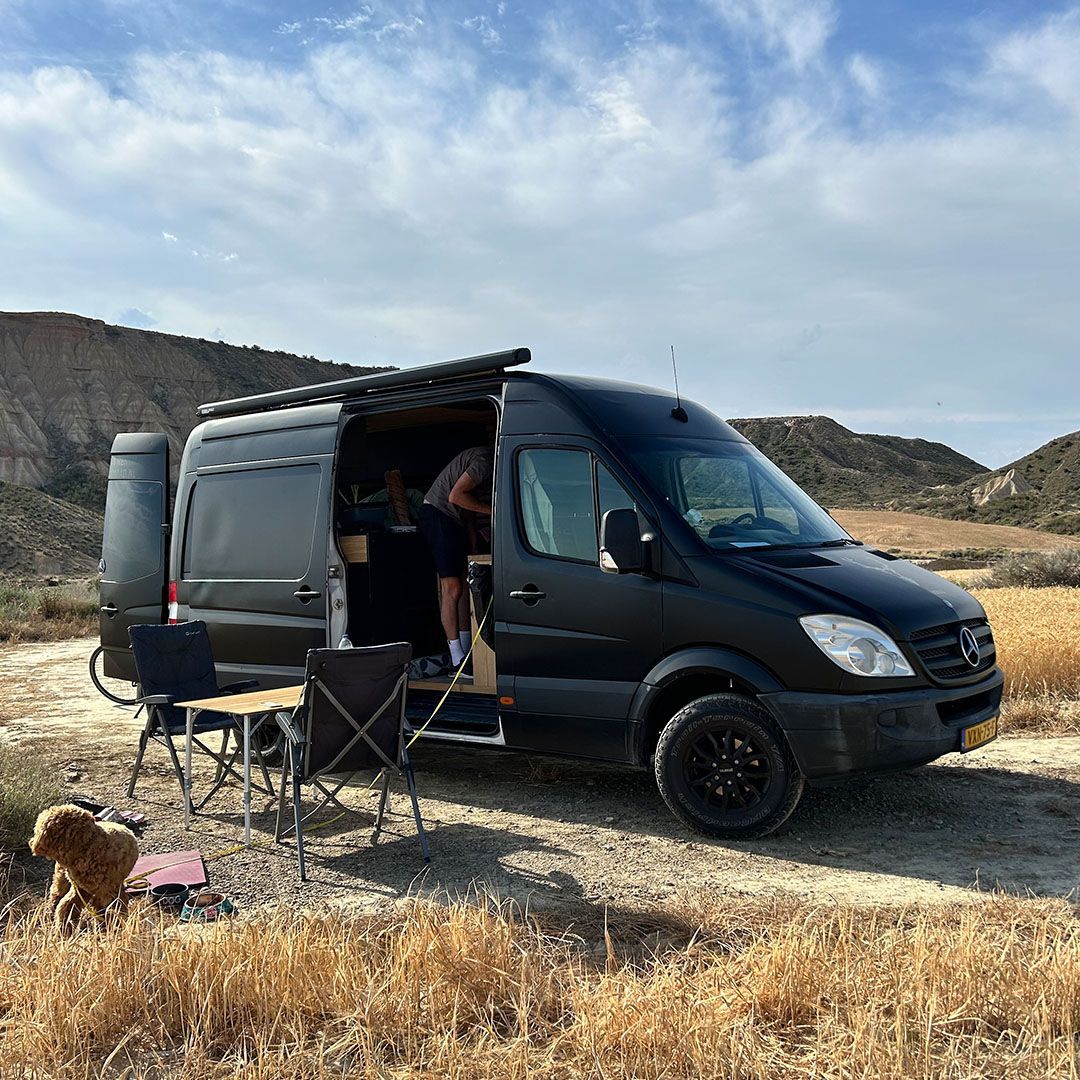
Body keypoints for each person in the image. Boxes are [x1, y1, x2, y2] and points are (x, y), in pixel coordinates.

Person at [417, 446, 494, 671]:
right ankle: (456, 657)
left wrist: (474, 546)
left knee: (464, 584)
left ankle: (467, 651)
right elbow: (457, 496)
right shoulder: (485, 462)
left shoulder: (485, 468)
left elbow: (468, 509)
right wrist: (494, 510)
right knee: (452, 588)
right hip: (438, 514)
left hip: (455, 520)